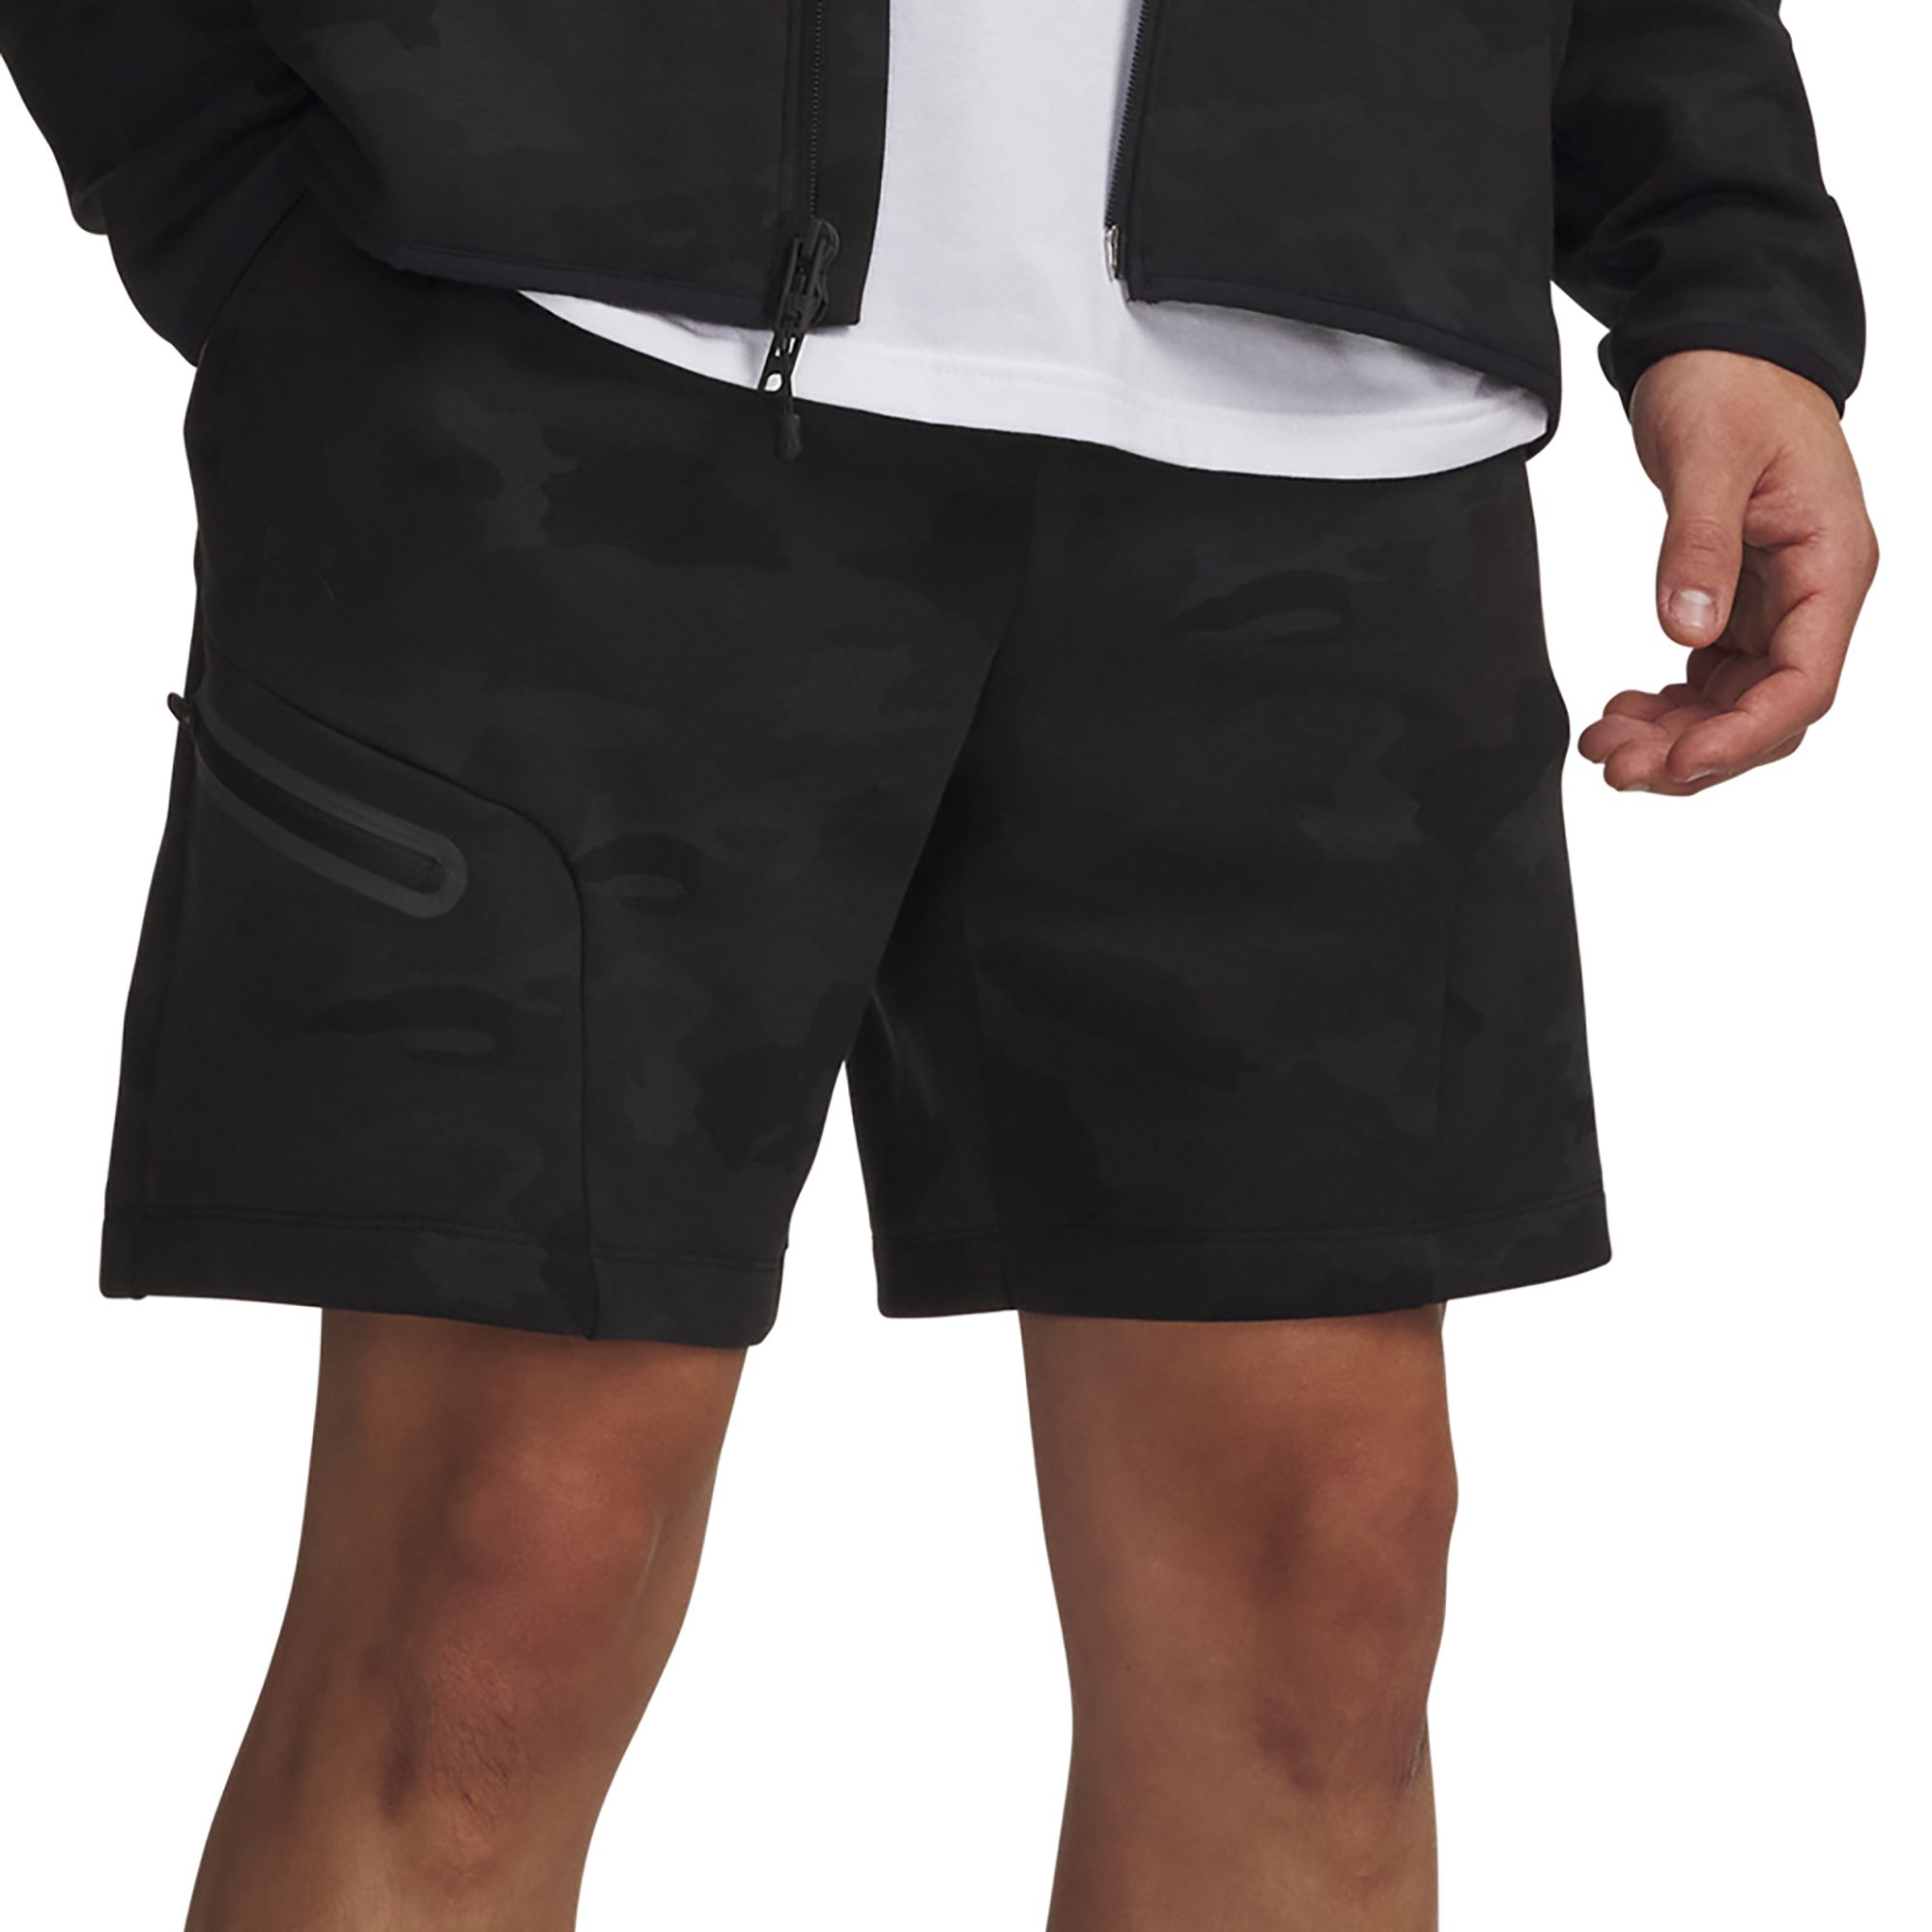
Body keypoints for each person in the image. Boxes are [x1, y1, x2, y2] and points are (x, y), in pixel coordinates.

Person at [0, 2, 1877, 1926]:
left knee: (1325, 1607)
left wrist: (1720, 261)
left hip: (1335, 423)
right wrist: (248, 208)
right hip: (578, 362)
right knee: (498, 1589)